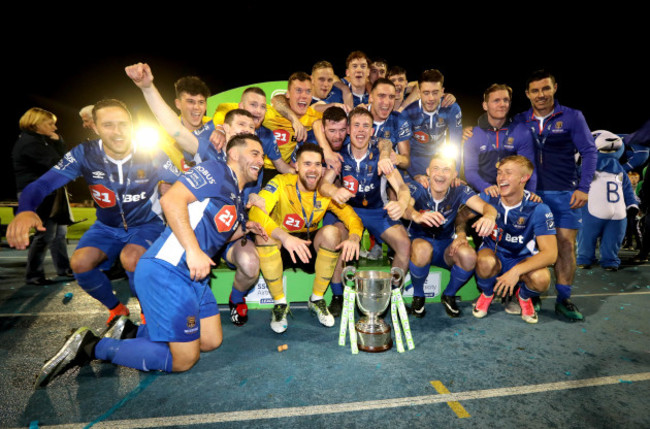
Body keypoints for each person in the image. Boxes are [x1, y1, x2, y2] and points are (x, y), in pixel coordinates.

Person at [34, 133, 266, 388]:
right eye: (255, 153)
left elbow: (215, 227)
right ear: (234, 154)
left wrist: (246, 228)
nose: (262, 160)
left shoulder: (235, 192)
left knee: (210, 340)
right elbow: (171, 199)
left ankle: (129, 332)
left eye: (263, 156)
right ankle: (90, 346)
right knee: (184, 360)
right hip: (168, 271)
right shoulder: (217, 170)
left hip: (194, 276)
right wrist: (193, 250)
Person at [7, 99, 182, 325]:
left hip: (146, 224)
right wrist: (25, 210)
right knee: (79, 263)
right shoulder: (84, 154)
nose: (118, 131)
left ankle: (148, 312)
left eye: (123, 124)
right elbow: (42, 184)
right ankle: (116, 309)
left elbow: (183, 184)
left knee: (132, 258)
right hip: (107, 227)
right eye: (108, 125)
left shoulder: (152, 153)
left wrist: (170, 188)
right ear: (96, 127)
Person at [125, 63, 270, 328]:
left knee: (250, 264)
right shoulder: (211, 152)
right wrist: (147, 88)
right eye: (240, 125)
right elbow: (175, 129)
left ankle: (235, 299)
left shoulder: (253, 160)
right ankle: (170, 312)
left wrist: (252, 207)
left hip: (232, 229)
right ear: (225, 129)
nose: (246, 131)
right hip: (202, 235)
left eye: (251, 128)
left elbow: (244, 201)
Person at [249, 143, 363, 333]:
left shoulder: (325, 190)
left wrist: (354, 237)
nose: (313, 170)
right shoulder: (280, 182)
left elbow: (352, 218)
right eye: (307, 164)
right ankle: (279, 304)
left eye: (318, 165)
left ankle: (317, 299)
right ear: (296, 166)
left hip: (308, 245)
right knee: (263, 235)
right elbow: (255, 213)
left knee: (332, 232)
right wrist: (285, 237)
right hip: (282, 244)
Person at [514, 70, 597, 321]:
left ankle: (564, 299)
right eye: (536, 90)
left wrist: (583, 188)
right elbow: (497, 136)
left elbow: (590, 151)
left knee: (565, 245)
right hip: (529, 193)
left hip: (564, 193)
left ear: (555, 88)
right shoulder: (519, 120)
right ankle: (532, 293)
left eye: (546, 89)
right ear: (527, 94)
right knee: (531, 247)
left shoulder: (573, 117)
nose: (541, 95)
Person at [320, 107, 412, 315]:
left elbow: (402, 188)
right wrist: (334, 190)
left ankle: (392, 297)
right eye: (356, 125)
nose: (361, 131)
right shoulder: (339, 156)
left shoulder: (381, 156)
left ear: (372, 131)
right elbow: (323, 186)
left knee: (405, 245)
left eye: (366, 126)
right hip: (349, 211)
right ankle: (337, 295)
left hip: (377, 212)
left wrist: (402, 203)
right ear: (349, 130)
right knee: (336, 241)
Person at [402, 154, 497, 318]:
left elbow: (487, 207)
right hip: (419, 244)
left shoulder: (459, 190)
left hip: (446, 246)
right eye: (436, 169)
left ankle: (449, 294)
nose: (440, 174)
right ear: (428, 172)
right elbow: (404, 208)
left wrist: (489, 216)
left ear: (454, 175)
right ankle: (419, 296)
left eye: (447, 170)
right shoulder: (417, 187)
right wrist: (417, 215)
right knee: (422, 248)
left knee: (468, 255)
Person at [473, 155, 558, 324]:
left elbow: (551, 254)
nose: (501, 177)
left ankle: (524, 296)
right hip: (494, 255)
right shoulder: (489, 197)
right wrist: (461, 232)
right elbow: (461, 215)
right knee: (484, 262)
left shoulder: (538, 208)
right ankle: (488, 293)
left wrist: (516, 271)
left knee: (542, 279)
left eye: (508, 173)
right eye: (499, 173)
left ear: (524, 178)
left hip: (521, 259)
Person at [12, 107, 72, 285]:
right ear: (36, 124)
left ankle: (63, 268)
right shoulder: (31, 143)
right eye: (50, 123)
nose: (54, 127)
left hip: (49, 191)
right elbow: (58, 164)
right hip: (37, 193)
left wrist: (57, 142)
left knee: (60, 232)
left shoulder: (41, 141)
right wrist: (58, 143)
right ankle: (34, 275)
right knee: (45, 234)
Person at [463, 84, 537, 195]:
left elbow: (529, 170)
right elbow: (470, 171)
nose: (502, 104)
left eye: (506, 100)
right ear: (485, 105)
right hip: (483, 193)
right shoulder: (472, 135)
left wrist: (529, 196)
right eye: (496, 100)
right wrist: (486, 187)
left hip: (512, 195)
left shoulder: (522, 132)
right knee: (463, 212)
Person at [401, 69, 462, 180]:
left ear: (442, 91)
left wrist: (455, 173)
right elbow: (404, 151)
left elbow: (456, 142)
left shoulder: (452, 108)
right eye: (426, 93)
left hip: (441, 161)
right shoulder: (408, 113)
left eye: (435, 92)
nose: (431, 98)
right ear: (419, 93)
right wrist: (416, 175)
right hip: (414, 162)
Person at [264, 72, 322, 184]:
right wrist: (221, 131)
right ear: (288, 94)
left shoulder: (315, 117)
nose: (304, 96)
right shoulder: (270, 114)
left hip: (296, 173)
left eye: (308, 91)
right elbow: (226, 111)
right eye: (298, 90)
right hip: (266, 170)